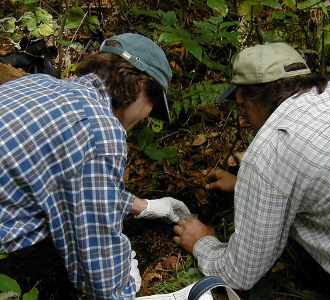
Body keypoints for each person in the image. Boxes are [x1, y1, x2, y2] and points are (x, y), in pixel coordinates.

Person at [173, 42, 330, 299]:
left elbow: (240, 273)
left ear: (243, 97)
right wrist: (245, 185)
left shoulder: (272, 147)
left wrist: (202, 243)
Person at [0, 33, 191, 299]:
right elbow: (98, 272)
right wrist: (124, 284)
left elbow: (67, 180)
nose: (148, 116)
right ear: (140, 86)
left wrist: (144, 206)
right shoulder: (99, 132)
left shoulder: (40, 83)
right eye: (153, 103)